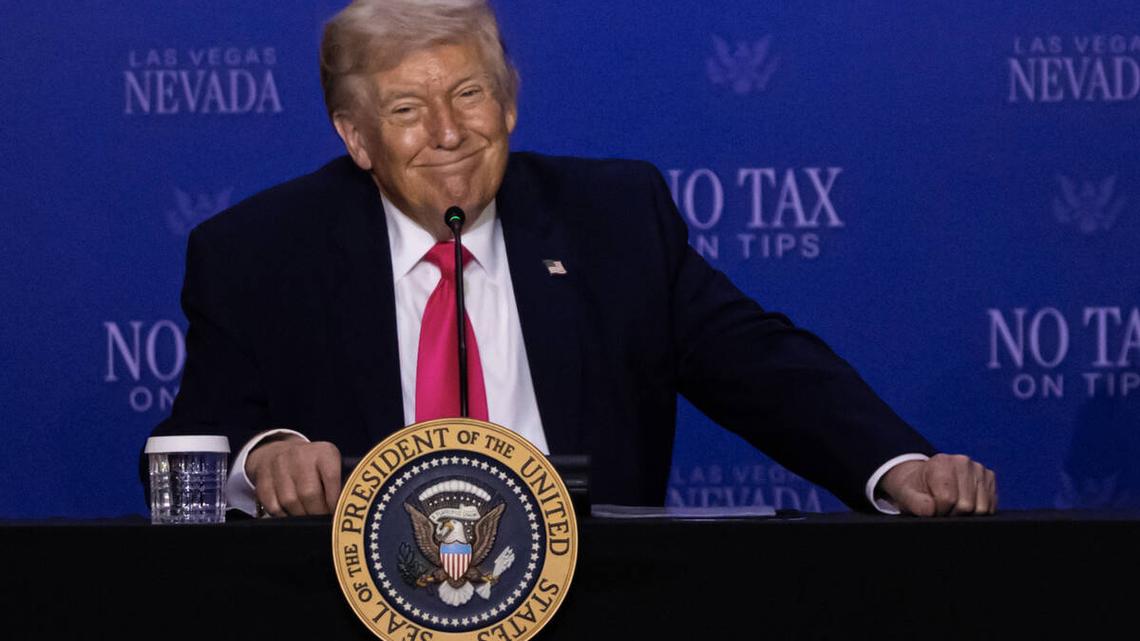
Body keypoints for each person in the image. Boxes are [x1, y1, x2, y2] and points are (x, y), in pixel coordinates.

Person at [147, 0, 996, 519]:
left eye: (469, 93)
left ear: (509, 100)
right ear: (355, 135)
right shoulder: (258, 252)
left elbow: (763, 366)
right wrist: (266, 456)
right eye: (407, 107)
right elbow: (193, 444)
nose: (448, 132)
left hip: (599, 607)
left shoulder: (613, 219)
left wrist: (899, 466)